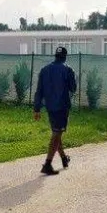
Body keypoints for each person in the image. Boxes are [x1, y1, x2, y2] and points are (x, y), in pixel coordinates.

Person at [33, 46, 77, 175]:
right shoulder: (68, 69)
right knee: (57, 134)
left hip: (50, 106)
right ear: (65, 57)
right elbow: (73, 88)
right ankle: (47, 164)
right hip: (62, 106)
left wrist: (36, 109)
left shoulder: (44, 70)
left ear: (55, 56)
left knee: (56, 132)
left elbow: (39, 91)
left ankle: (64, 158)